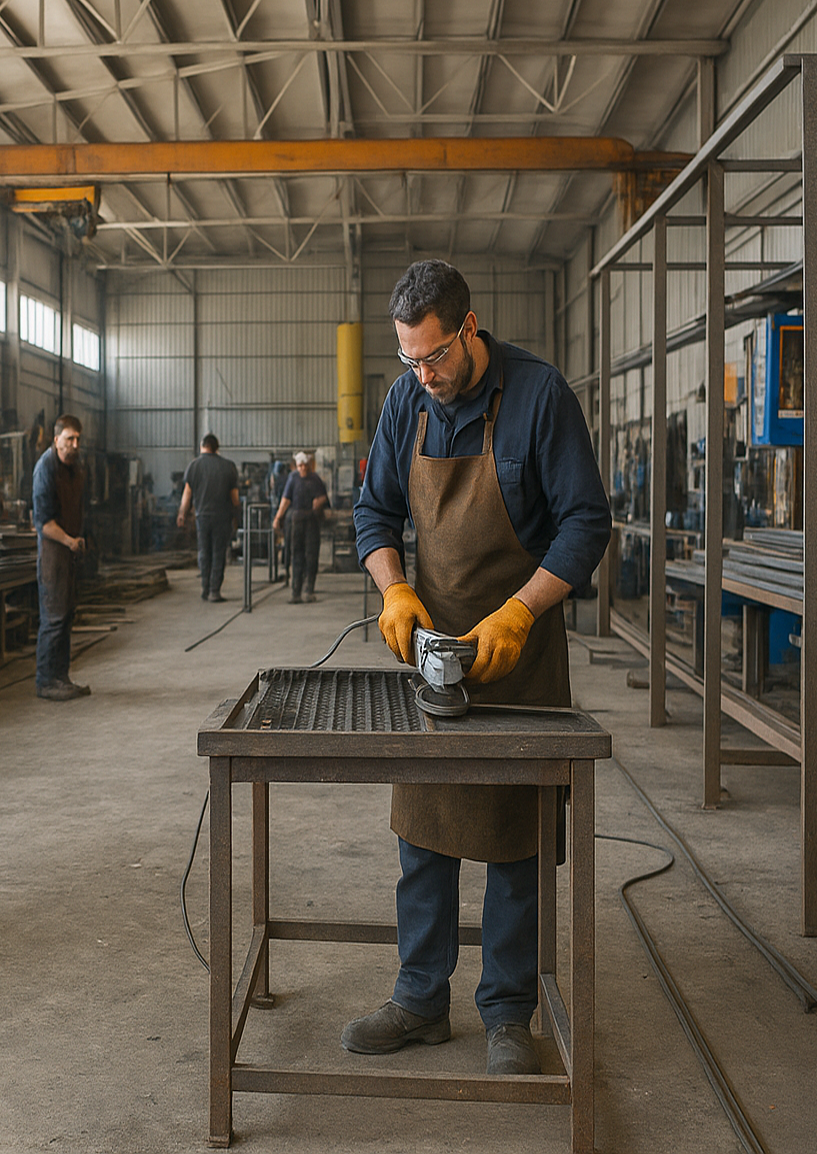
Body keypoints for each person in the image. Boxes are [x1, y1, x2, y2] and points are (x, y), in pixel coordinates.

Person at [346, 260, 610, 1074]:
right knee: (424, 833)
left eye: (434, 357)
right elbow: (374, 512)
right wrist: (394, 590)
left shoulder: (540, 396)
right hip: (435, 654)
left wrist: (521, 612)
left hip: (519, 655)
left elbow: (586, 524)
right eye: (409, 360)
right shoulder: (405, 402)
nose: (423, 375)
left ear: (468, 328)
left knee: (514, 841)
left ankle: (507, 1014)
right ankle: (421, 999)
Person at [31, 414, 92, 702]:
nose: (75, 444)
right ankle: (46, 681)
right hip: (53, 552)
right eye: (69, 439)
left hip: (70, 550)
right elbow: (43, 523)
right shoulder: (45, 468)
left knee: (66, 615)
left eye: (78, 439)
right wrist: (69, 541)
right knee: (53, 617)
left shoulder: (76, 469)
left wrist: (81, 539)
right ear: (56, 440)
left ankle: (61, 678)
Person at [176, 433, 240, 602]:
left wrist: (182, 513)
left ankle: (205, 588)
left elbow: (187, 494)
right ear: (217, 448)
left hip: (202, 517)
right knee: (218, 553)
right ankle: (214, 591)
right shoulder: (228, 466)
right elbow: (234, 498)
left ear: (202, 446)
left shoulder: (193, 466)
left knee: (204, 552)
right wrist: (237, 516)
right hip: (222, 517)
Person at [272, 451, 329, 603]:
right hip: (297, 521)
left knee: (311, 556)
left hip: (311, 520)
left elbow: (324, 497)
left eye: (305, 466)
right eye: (300, 466)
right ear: (296, 466)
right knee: (296, 555)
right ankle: (295, 592)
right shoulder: (293, 478)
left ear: (308, 465)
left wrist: (319, 501)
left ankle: (309, 590)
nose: (302, 468)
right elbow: (285, 500)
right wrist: (278, 517)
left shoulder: (315, 479)